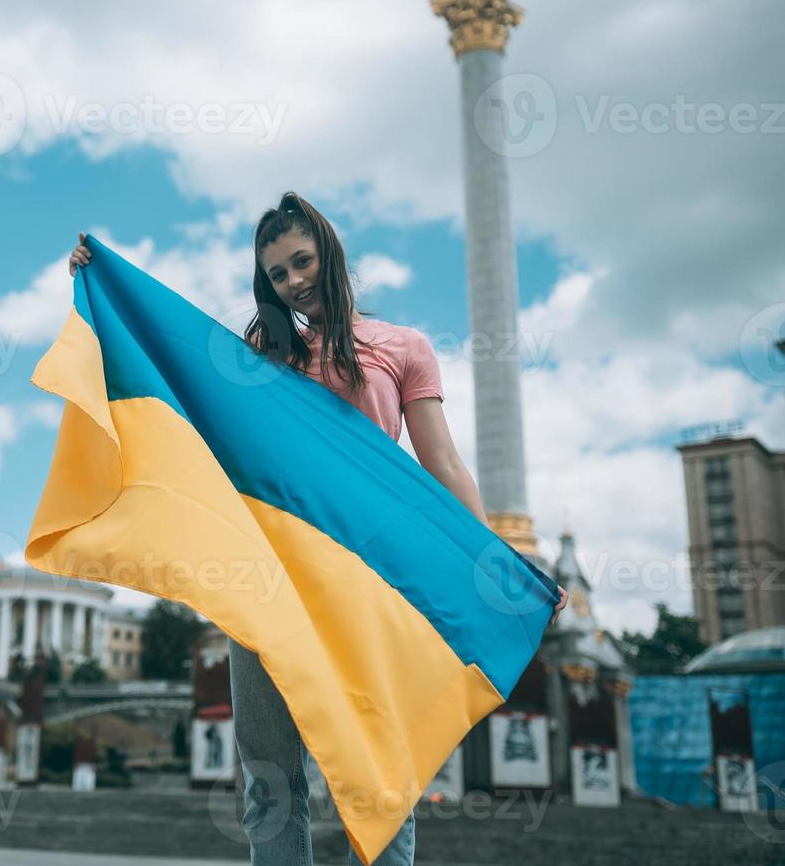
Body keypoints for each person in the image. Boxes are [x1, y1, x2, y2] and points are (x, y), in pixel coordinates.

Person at [68, 191, 567, 866]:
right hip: (272, 584)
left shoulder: (402, 347)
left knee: (381, 772)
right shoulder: (260, 355)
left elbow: (441, 461)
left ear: (327, 253)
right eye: (277, 273)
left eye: (301, 261)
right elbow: (178, 378)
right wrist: (103, 292)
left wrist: (491, 559)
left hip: (370, 586)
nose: (293, 280)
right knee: (268, 775)